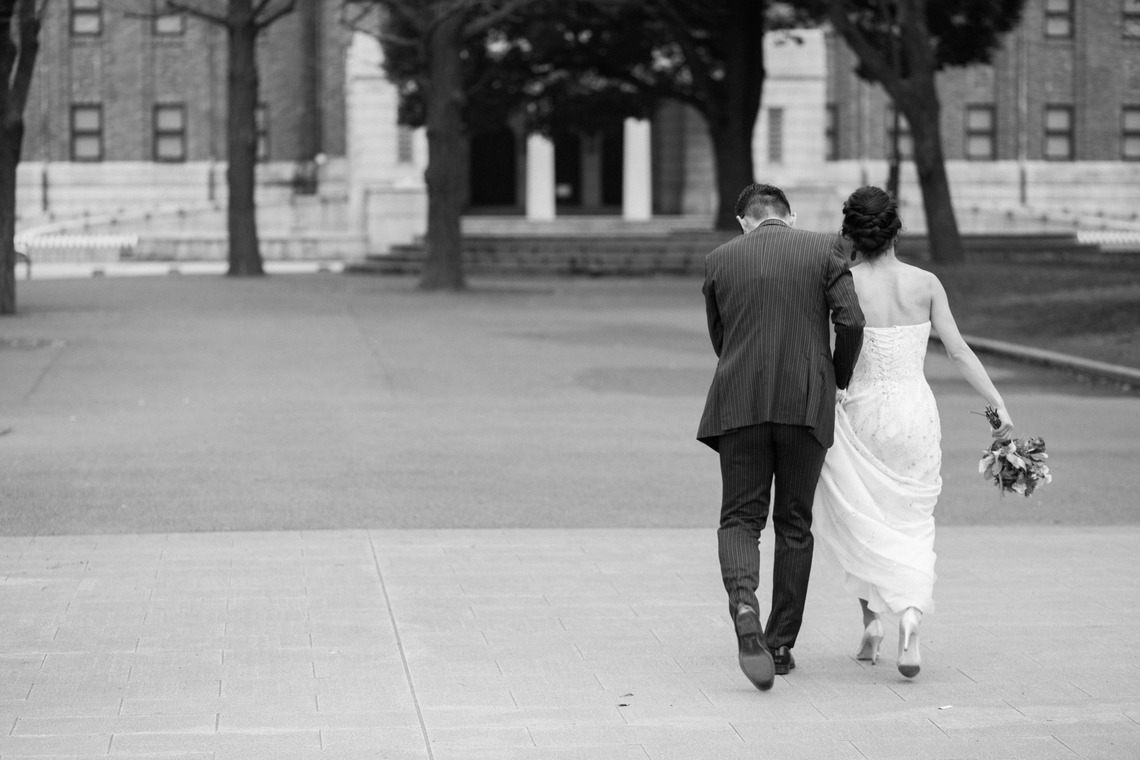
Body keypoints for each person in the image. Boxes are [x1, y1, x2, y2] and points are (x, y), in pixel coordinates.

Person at [813, 186, 1015, 679]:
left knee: (861, 517)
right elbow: (960, 351)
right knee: (912, 521)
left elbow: (823, 348)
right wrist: (998, 407)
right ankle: (909, 616)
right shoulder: (926, 283)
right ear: (896, 229)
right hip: (914, 414)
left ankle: (872, 624)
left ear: (852, 233)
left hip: (859, 412)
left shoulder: (842, 282)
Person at [698, 183, 865, 691]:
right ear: (788, 217)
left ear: (744, 221)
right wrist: (835, 375)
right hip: (805, 400)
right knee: (794, 522)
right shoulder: (823, 249)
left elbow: (719, 335)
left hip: (740, 402)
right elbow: (851, 319)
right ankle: (781, 641)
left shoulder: (720, 259)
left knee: (740, 518)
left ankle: (744, 602)